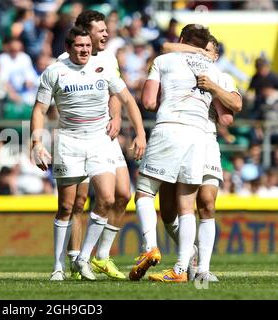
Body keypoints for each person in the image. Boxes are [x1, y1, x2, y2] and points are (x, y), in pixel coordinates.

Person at [30, 26, 145, 281]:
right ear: (69, 47)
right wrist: (37, 144)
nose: (84, 50)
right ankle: (58, 267)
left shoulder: (103, 66)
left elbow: (127, 100)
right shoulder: (55, 72)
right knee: (66, 206)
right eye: (80, 46)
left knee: (107, 197)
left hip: (99, 141)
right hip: (69, 142)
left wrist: (140, 133)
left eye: (87, 46)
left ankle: (84, 258)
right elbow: (39, 110)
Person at [128, 24, 221, 283]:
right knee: (187, 207)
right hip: (199, 136)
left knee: (145, 191)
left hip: (170, 127)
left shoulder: (164, 59)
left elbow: (148, 102)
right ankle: (181, 269)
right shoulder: (213, 68)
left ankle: (150, 247)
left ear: (181, 39)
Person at [59, 10, 137, 281]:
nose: (106, 34)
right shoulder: (63, 64)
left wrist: (116, 117)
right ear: (84, 32)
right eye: (100, 30)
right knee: (78, 202)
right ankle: (74, 259)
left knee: (123, 194)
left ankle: (100, 256)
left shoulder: (108, 58)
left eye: (106, 29)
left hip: (105, 135)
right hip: (77, 139)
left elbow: (116, 92)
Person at [159, 35, 242, 282]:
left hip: (206, 139)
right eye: (199, 49)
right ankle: (190, 251)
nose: (202, 54)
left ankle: (202, 269)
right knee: (167, 211)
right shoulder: (177, 65)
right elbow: (166, 47)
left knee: (206, 202)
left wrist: (214, 89)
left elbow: (234, 107)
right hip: (176, 136)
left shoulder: (221, 76)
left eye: (208, 51)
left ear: (216, 56)